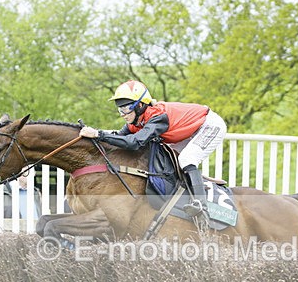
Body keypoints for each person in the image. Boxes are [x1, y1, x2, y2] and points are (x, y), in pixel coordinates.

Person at [78, 80, 227, 218]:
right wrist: (94, 136)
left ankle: (202, 205)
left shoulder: (157, 116)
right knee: (173, 160)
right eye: (120, 109)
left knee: (186, 159)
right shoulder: (135, 120)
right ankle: (200, 182)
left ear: (141, 105)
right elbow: (118, 138)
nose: (123, 114)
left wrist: (98, 134)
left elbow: (134, 142)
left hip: (208, 125)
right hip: (188, 130)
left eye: (127, 108)